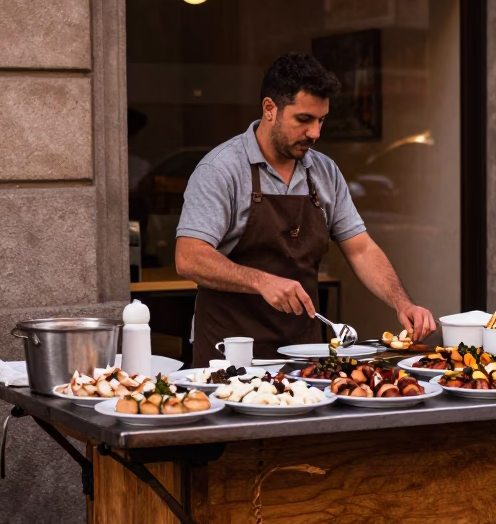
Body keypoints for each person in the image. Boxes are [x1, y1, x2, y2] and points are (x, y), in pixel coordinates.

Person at [174, 52, 436, 365]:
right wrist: (263, 281)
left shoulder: (325, 172)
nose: (316, 133)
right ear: (270, 109)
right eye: (304, 119)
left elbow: (361, 249)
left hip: (304, 354)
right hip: (231, 355)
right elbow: (189, 257)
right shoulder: (221, 169)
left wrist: (401, 303)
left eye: (321, 120)